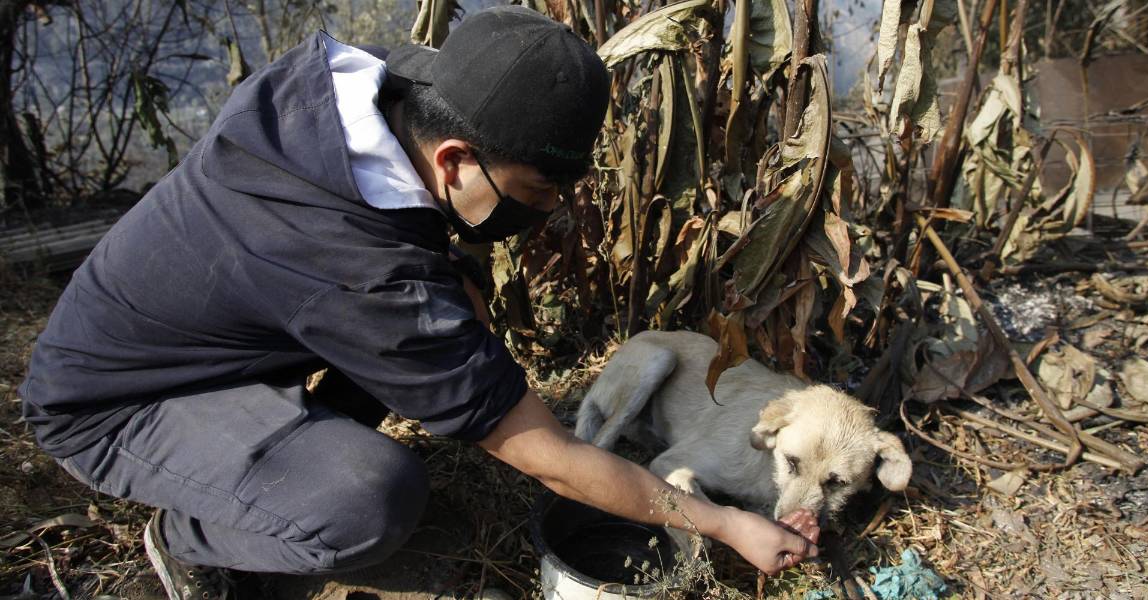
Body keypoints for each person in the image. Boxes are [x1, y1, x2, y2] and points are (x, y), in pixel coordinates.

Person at [18, 6, 818, 600]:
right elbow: (551, 459)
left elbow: (416, 277)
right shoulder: (356, 269)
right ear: (455, 157)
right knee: (368, 500)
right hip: (116, 405)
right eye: (537, 192)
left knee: (448, 311)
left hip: (205, 334)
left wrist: (457, 284)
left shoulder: (360, 91)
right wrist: (720, 522)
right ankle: (195, 538)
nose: (546, 215)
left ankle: (271, 447)